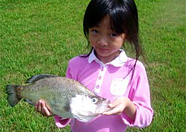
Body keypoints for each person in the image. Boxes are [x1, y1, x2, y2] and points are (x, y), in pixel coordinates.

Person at [35, 0, 154, 131]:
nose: (102, 42)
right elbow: (68, 109)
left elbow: (146, 116)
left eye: (113, 34)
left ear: (127, 35)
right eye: (95, 31)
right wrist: (55, 109)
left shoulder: (134, 70)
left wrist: (127, 105)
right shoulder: (75, 65)